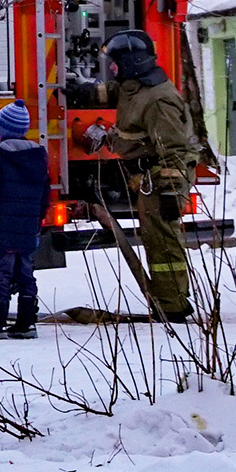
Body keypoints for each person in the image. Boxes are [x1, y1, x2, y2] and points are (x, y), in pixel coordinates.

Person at [72, 30, 199, 321]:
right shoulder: (137, 87)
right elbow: (116, 92)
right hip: (146, 178)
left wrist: (169, 190)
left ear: (131, 62)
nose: (112, 68)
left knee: (163, 241)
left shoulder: (159, 100)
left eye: (116, 63)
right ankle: (168, 299)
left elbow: (175, 149)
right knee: (155, 240)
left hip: (160, 178)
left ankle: (172, 304)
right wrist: (86, 92)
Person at [0, 100, 52, 339]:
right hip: (26, 228)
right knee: (26, 274)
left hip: (0, 229)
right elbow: (44, 195)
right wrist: (37, 221)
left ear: (3, 130)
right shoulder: (38, 156)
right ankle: (27, 323)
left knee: (0, 275)